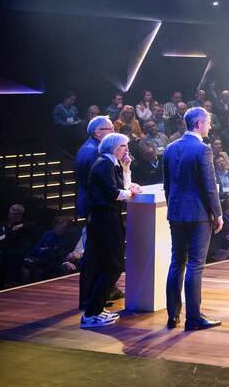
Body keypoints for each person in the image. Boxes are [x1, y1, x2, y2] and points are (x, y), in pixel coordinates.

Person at [162, 107, 224, 331]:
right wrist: (218, 214)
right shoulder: (202, 149)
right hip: (198, 215)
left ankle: (173, 315)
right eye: (208, 122)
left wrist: (174, 208)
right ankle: (194, 317)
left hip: (176, 213)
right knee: (196, 265)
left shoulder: (169, 148)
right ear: (198, 124)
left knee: (177, 262)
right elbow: (209, 187)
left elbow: (167, 185)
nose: (210, 126)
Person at [81, 133, 141, 328]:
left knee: (109, 265)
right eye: (124, 146)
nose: (127, 149)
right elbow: (114, 193)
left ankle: (96, 309)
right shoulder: (104, 164)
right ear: (114, 147)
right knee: (112, 266)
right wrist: (131, 193)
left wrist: (126, 169)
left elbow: (121, 186)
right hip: (104, 221)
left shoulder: (110, 164)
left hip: (108, 219)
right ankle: (91, 313)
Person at [75, 116, 114, 310]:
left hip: (92, 205)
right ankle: (89, 298)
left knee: (96, 253)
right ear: (98, 132)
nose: (113, 132)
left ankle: (97, 293)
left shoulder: (89, 148)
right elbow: (100, 184)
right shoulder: (93, 152)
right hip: (95, 207)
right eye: (110, 128)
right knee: (93, 254)